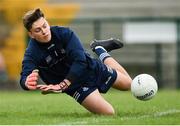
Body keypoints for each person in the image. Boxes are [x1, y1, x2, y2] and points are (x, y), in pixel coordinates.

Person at [20, 8, 132, 115]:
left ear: (47, 22)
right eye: (38, 30)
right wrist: (26, 82)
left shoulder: (64, 33)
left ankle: (100, 50)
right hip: (76, 87)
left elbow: (80, 60)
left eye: (45, 26)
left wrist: (63, 84)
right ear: (31, 34)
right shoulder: (32, 52)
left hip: (90, 68)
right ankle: (99, 49)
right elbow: (24, 76)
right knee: (109, 112)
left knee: (128, 84)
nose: (44, 31)